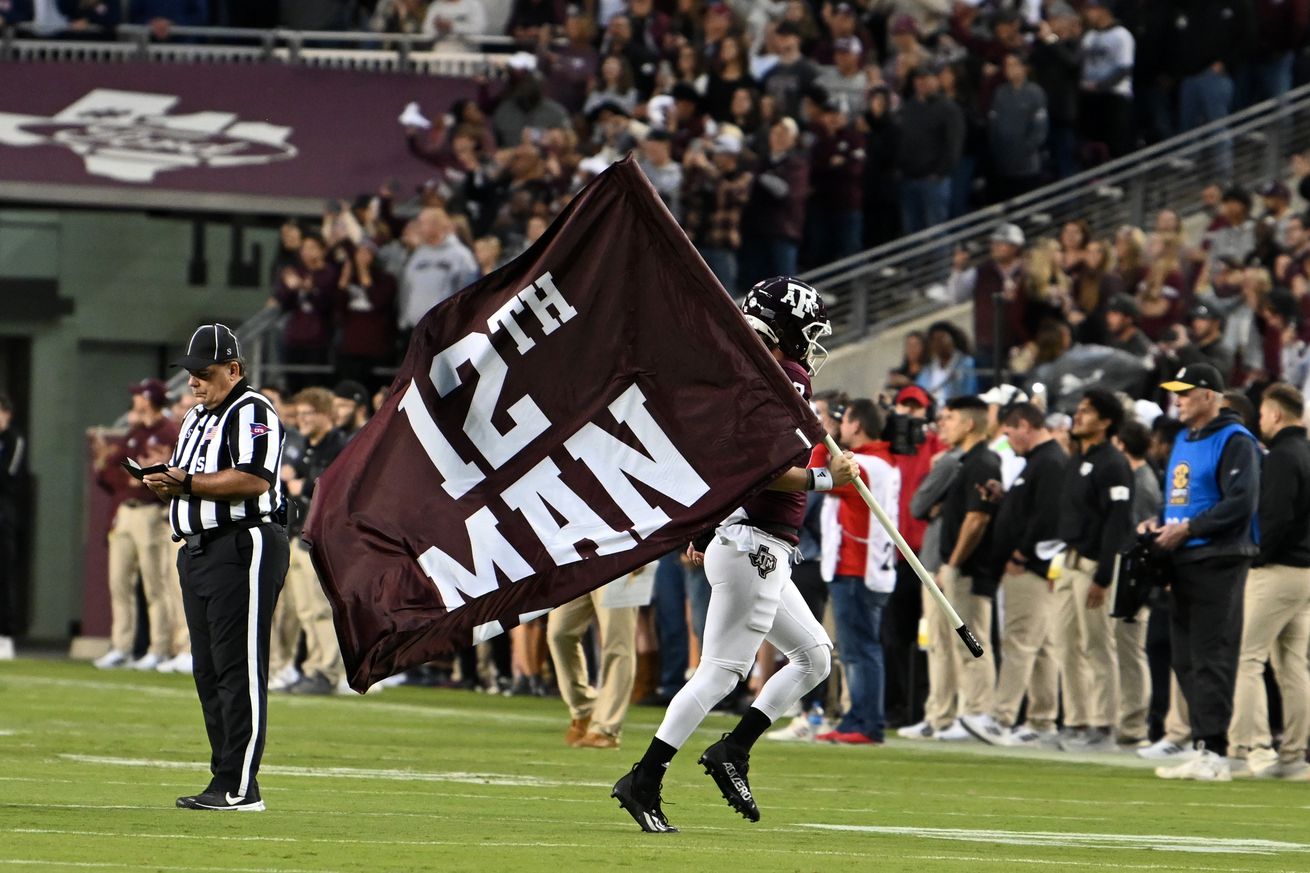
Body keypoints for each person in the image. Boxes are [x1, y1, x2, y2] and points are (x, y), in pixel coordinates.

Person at [611, 277, 858, 833]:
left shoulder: (745, 376)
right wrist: (826, 479)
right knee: (720, 673)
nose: (812, 344)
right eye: (808, 331)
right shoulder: (783, 377)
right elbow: (761, 469)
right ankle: (645, 777)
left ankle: (734, 750)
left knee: (815, 656)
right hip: (755, 544)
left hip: (752, 540)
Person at [143, 323, 289, 812]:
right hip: (198, 549)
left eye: (204, 374)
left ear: (234, 369)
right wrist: (167, 483)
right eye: (190, 375)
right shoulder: (194, 418)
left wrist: (187, 485)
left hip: (242, 545)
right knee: (207, 671)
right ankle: (223, 778)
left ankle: (241, 787)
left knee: (238, 668)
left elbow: (254, 480)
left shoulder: (254, 410)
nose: (194, 384)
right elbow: (193, 479)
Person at [1149, 363, 1260, 782]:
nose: (1177, 399)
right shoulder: (1183, 438)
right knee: (1185, 657)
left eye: (1185, 392)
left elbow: (1240, 502)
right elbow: (1177, 499)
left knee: (1213, 655)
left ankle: (1216, 751)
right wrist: (1158, 525)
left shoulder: (1235, 440)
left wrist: (1191, 528)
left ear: (1210, 396)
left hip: (1219, 556)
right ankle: (1203, 744)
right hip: (1181, 557)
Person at [960, 402, 1067, 746]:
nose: (1007, 440)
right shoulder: (1038, 461)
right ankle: (1042, 721)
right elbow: (1031, 510)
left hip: (1029, 568)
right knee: (1042, 645)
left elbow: (1049, 516)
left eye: (1008, 432)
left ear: (1023, 424)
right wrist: (1004, 498)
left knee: (1019, 642)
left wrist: (1022, 553)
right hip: (1032, 566)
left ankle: (1001, 717)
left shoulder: (1048, 461)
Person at [1229, 383, 1310, 779]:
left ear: (1276, 414)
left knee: (1247, 658)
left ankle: (1248, 749)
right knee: (1294, 665)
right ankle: (1293, 756)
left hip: (1277, 572)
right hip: (1306, 576)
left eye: (1262, 414)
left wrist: (1256, 558)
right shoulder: (1308, 452)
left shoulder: (1281, 456)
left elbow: (1276, 518)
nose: (1260, 421)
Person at [1053, 388, 1135, 752]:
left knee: (1098, 646)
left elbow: (1117, 524)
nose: (1078, 416)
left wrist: (1104, 576)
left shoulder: (1113, 464)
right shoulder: (1077, 459)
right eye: (1079, 410)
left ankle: (1103, 726)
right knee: (1065, 644)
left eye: (1087, 411)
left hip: (1092, 565)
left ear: (1105, 421)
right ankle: (1076, 720)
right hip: (1068, 563)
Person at [813, 398, 900, 745]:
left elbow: (819, 477)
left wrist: (822, 438)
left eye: (844, 421)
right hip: (867, 566)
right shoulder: (882, 462)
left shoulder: (863, 464)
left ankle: (865, 722)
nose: (841, 427)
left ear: (857, 425)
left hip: (856, 568)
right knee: (861, 648)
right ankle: (859, 718)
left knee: (859, 649)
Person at [924, 395, 1001, 742]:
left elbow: (977, 518)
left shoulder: (982, 462)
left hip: (969, 569)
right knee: (958, 644)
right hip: (959, 566)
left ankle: (978, 715)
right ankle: (964, 714)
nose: (945, 424)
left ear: (970, 423)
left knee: (973, 642)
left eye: (951, 418)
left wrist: (952, 564)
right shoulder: (967, 461)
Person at [91, 379, 182, 671]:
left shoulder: (170, 432)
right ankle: (121, 646)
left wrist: (138, 480)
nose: (134, 401)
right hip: (125, 512)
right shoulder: (137, 432)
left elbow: (163, 478)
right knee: (119, 584)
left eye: (138, 397)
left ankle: (159, 646)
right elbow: (112, 468)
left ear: (149, 399)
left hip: (150, 512)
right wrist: (128, 478)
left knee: (156, 586)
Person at [278, 388, 348, 696]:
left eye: (309, 414)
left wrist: (302, 483)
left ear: (326, 414)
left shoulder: (340, 446)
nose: (303, 420)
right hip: (299, 534)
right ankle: (313, 667)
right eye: (300, 414)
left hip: (321, 539)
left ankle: (327, 671)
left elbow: (338, 487)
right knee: (305, 609)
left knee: (320, 608)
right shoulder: (307, 446)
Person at [548, 562, 647, 749]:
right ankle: (584, 707)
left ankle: (607, 729)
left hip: (624, 553)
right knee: (559, 633)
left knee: (618, 643)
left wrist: (643, 552)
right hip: (579, 555)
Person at [0, 393, 25, 659]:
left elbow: (7, 475)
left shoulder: (13, 440)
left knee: (4, 576)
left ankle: (5, 635)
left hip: (3, 517)